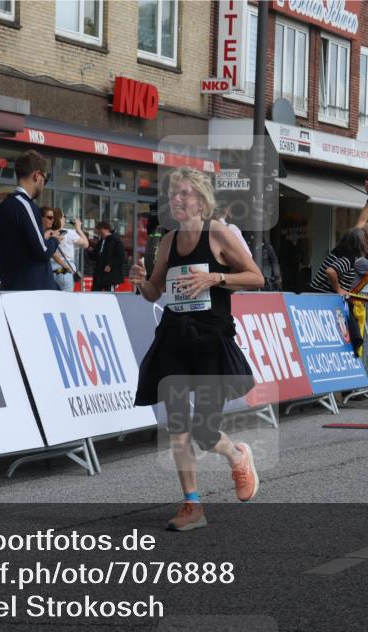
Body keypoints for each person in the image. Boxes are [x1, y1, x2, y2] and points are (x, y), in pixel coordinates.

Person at [128, 166, 264, 531]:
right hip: (174, 334)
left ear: (202, 200)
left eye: (185, 193)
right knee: (177, 424)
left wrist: (215, 277)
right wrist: (143, 283)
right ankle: (192, 505)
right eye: (174, 193)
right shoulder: (170, 240)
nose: (177, 199)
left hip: (210, 337)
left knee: (204, 431)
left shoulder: (217, 234)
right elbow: (155, 292)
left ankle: (237, 454)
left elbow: (256, 277)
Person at [0, 150, 59, 291]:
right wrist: (55, 239)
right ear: (36, 175)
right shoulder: (26, 206)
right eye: (44, 180)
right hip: (33, 289)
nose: (43, 184)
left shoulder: (1, 208)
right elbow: (43, 251)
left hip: (11, 285)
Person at [49, 208, 88, 292]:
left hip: (50, 270)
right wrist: (78, 229)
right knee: (66, 299)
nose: (64, 218)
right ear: (59, 218)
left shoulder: (48, 233)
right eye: (63, 216)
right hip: (64, 270)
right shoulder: (69, 233)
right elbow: (86, 244)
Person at [88, 220, 126, 292]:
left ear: (107, 229)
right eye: (99, 232)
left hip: (110, 276)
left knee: (110, 295)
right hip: (99, 275)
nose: (100, 234)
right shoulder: (101, 241)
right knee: (94, 294)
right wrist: (90, 251)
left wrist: (110, 265)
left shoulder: (116, 240)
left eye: (101, 232)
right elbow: (95, 256)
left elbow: (121, 257)